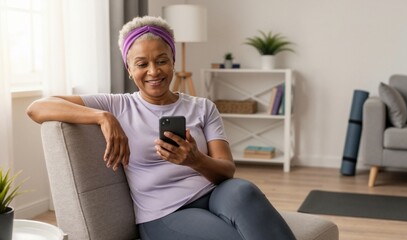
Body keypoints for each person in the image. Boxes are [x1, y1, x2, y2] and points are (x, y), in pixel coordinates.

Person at [27, 15, 295, 240]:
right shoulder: (117, 106)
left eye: (162, 60)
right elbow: (38, 107)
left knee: (244, 189)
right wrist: (103, 117)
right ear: (129, 70)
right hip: (165, 213)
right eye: (142, 64)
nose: (154, 71)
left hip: (215, 193)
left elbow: (227, 170)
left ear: (173, 61)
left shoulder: (202, 107)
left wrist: (196, 160)